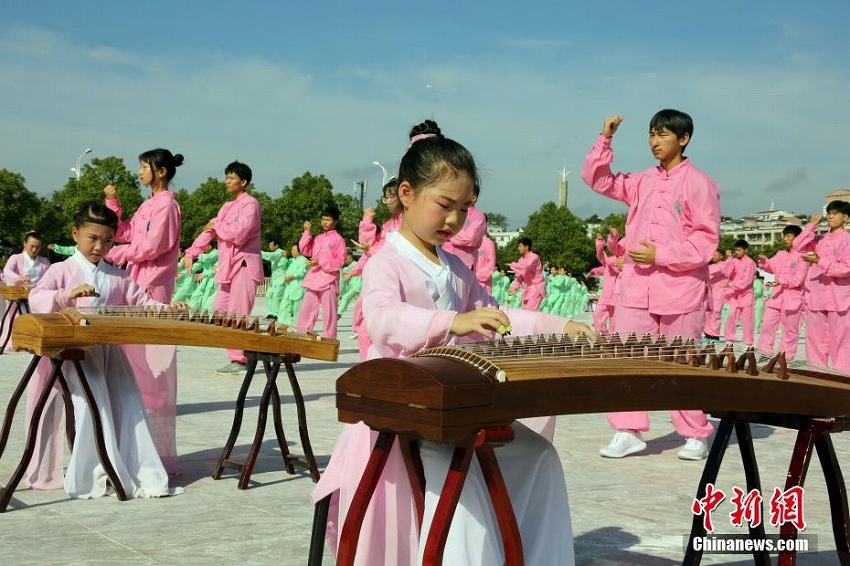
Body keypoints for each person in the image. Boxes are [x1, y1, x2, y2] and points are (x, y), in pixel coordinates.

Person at [311, 119, 586, 566]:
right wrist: (453, 321)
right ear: (406, 194)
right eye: (444, 205)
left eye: (465, 208)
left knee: (539, 457)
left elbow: (496, 317)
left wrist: (560, 325)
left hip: (451, 409)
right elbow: (382, 319)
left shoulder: (456, 268)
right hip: (405, 414)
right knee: (463, 483)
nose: (455, 220)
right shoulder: (387, 262)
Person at [582, 109, 719, 461]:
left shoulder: (699, 183)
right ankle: (627, 430)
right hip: (636, 287)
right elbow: (597, 180)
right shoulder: (642, 180)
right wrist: (605, 138)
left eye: (663, 134)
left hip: (681, 288)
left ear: (683, 138)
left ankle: (694, 432)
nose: (655, 141)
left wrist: (661, 254)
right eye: (651, 134)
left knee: (682, 361)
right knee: (626, 357)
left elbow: (705, 242)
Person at [25, 201, 183, 498]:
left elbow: (143, 304)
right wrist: (65, 294)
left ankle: (126, 466)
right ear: (75, 234)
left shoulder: (117, 276)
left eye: (108, 240)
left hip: (110, 354)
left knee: (129, 400)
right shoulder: (62, 270)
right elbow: (36, 298)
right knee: (90, 404)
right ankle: (93, 471)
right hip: (74, 357)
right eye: (92, 238)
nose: (100, 246)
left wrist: (168, 309)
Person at [104, 148, 184, 474]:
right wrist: (112, 205)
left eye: (143, 167)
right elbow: (126, 232)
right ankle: (135, 449)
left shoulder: (168, 205)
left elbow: (152, 247)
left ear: (160, 171)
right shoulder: (148, 204)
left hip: (153, 288)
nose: (139, 172)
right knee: (135, 369)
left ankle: (156, 456)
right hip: (137, 286)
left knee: (154, 373)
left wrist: (117, 252)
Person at [183, 161, 263, 377]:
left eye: (232, 178)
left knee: (238, 314)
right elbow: (209, 231)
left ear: (243, 182)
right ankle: (242, 353)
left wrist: (217, 226)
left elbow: (239, 233)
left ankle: (240, 359)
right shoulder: (226, 207)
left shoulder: (251, 204)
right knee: (220, 312)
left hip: (244, 265)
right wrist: (191, 253)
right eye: (226, 177)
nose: (227, 181)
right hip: (227, 267)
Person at [795, 201, 850, 372]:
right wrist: (811, 225)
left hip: (838, 297)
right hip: (817, 295)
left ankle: (842, 374)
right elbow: (797, 245)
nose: (831, 216)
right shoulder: (820, 239)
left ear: (845, 217)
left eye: (835, 213)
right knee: (814, 337)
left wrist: (820, 261)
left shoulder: (847, 240)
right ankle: (817, 371)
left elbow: (847, 269)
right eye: (829, 212)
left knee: (841, 338)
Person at [757, 225, 808, 362]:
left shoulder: (802, 256)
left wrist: (782, 281)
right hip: (776, 297)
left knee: (790, 329)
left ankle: (787, 356)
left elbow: (798, 280)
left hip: (793, 298)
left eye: (789, 236)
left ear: (797, 238)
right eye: (784, 235)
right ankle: (765, 352)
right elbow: (770, 267)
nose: (785, 238)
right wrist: (764, 261)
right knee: (767, 324)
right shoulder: (780, 254)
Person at [296, 205, 346, 339]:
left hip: (329, 280)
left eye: (328, 219)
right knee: (306, 309)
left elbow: (340, 262)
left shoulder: (338, 240)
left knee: (329, 313)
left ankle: (329, 340)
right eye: (323, 219)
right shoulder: (318, 238)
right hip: (314, 278)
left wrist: (321, 263)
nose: (324, 222)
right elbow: (305, 250)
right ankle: (301, 335)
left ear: (335, 221)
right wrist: (306, 232)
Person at [441, 182, 487, 270]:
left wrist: (449, 234)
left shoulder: (478, 216)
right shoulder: (452, 212)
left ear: (473, 197)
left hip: (464, 263)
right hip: (444, 258)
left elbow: (470, 239)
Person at [722, 239, 757, 346]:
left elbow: (747, 281)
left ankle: (748, 342)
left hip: (746, 295)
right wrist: (729, 259)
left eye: (739, 250)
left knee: (747, 320)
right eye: (736, 250)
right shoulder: (734, 261)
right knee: (731, 316)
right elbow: (726, 273)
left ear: (745, 250)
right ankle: (729, 338)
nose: (737, 252)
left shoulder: (750, 263)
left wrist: (731, 285)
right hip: (735, 295)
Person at [508, 237, 545, 311]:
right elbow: (519, 276)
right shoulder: (521, 260)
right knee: (524, 310)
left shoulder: (534, 257)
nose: (518, 248)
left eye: (520, 246)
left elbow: (525, 267)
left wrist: (513, 265)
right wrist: (514, 288)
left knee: (530, 311)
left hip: (536, 289)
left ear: (527, 247)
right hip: (527, 290)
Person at [279, 244, 308, 326]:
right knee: (284, 307)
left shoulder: (303, 260)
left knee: (297, 310)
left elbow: (302, 272)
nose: (292, 252)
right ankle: (283, 325)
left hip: (297, 288)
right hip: (289, 288)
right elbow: (284, 266)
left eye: (294, 250)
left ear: (299, 251)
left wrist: (291, 276)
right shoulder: (292, 260)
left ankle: (298, 328)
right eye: (291, 250)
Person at [261, 238, 288, 319]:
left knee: (277, 297)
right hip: (274, 280)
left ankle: (276, 314)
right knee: (269, 295)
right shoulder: (276, 253)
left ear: (276, 245)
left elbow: (270, 256)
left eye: (271, 245)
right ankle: (271, 313)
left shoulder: (279, 252)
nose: (270, 246)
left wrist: (259, 252)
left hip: (281, 280)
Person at [474, 230, 497, 294]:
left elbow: (491, 265)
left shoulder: (488, 243)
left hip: (482, 285)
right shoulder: (470, 241)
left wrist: (476, 275)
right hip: (469, 283)